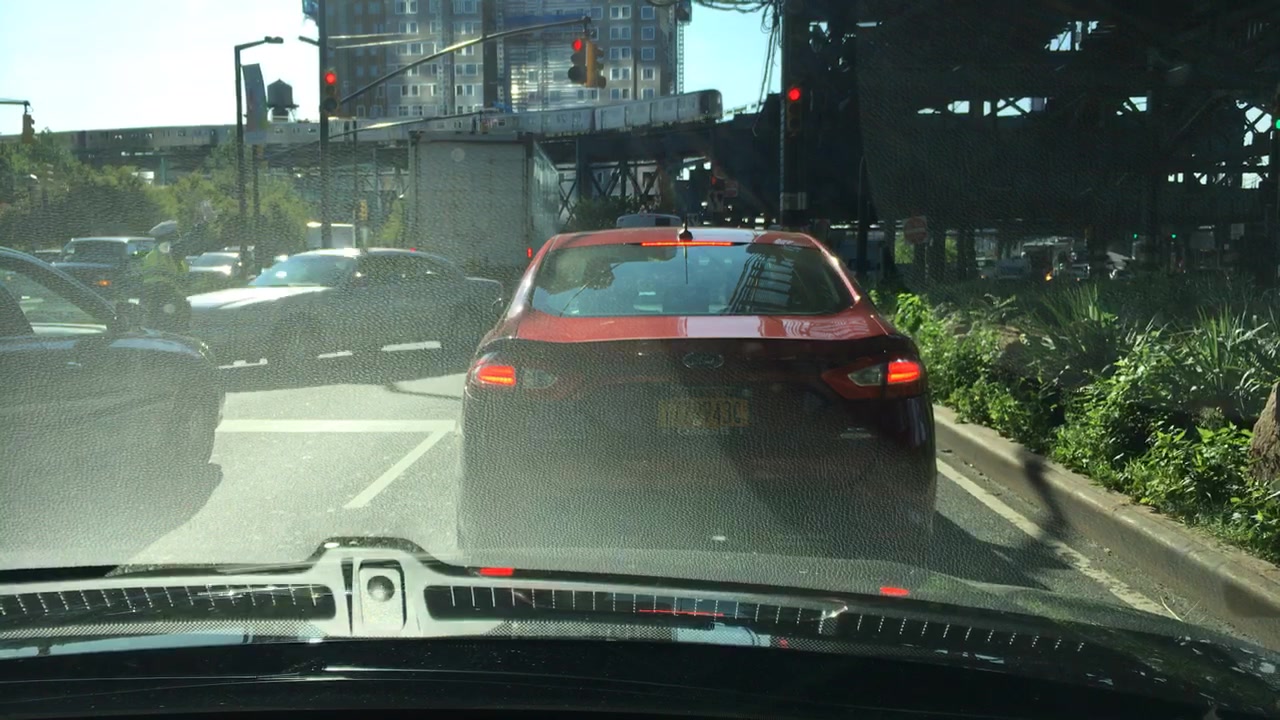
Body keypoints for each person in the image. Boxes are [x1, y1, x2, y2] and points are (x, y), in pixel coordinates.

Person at [140, 220, 191, 332]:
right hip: (164, 293)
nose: (179, 239)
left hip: (155, 294)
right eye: (176, 235)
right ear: (169, 237)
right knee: (169, 328)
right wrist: (204, 224)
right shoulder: (167, 251)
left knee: (153, 326)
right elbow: (189, 241)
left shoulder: (155, 254)